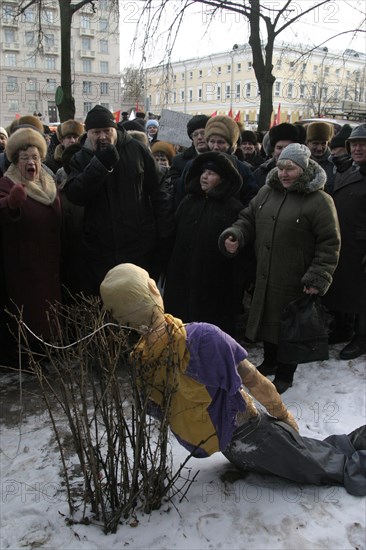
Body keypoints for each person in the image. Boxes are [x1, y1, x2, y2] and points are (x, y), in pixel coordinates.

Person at [99, 262, 366, 497]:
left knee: (317, 458)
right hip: (255, 436)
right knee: (335, 467)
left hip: (236, 443)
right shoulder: (203, 337)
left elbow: (162, 411)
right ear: (153, 290)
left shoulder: (141, 362)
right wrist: (283, 414)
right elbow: (255, 380)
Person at [219, 143, 340, 393]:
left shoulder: (319, 201)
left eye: (291, 168)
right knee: (268, 319)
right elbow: (247, 219)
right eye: (281, 167)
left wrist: (318, 277)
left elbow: (330, 243)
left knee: (289, 326)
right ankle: (271, 362)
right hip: (265, 273)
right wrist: (235, 235)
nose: (284, 173)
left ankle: (286, 374)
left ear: (304, 169)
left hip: (296, 277)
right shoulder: (266, 192)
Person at [64, 104, 173, 296]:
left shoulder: (136, 149)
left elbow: (159, 184)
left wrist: (162, 228)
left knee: (137, 306)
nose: (103, 137)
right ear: (88, 133)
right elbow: (75, 194)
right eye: (96, 132)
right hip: (99, 252)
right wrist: (99, 165)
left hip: (137, 247)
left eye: (107, 131)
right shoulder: (80, 158)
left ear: (115, 129)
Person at [163, 151, 246, 337]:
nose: (204, 176)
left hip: (214, 281)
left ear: (223, 179)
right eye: (203, 172)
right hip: (182, 276)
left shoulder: (233, 208)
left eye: (211, 173)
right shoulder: (188, 202)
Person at [0, 128, 61, 363]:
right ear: (16, 161)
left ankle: (51, 349)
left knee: (51, 312)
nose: (31, 162)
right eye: (25, 158)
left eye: (35, 157)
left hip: (52, 262)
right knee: (31, 313)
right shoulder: (7, 182)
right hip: (24, 264)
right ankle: (31, 355)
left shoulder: (49, 181)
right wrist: (10, 204)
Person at [323, 124, 366, 360]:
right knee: (344, 289)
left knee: (362, 296)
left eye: (363, 144)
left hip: (361, 246)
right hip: (346, 242)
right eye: (355, 144)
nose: (358, 148)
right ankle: (343, 329)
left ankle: (362, 338)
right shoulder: (352, 170)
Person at [169, 114, 209, 208]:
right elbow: (176, 190)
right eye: (195, 135)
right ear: (192, 138)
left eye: (203, 133)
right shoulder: (178, 160)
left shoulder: (220, 158)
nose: (199, 137)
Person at [252, 123, 304, 189]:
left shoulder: (307, 173)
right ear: (273, 150)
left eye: (288, 147)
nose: (283, 151)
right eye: (279, 148)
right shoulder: (261, 173)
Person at [306, 121, 335, 194]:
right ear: (307, 143)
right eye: (315, 143)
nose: (319, 148)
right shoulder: (301, 162)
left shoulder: (334, 163)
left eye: (323, 143)